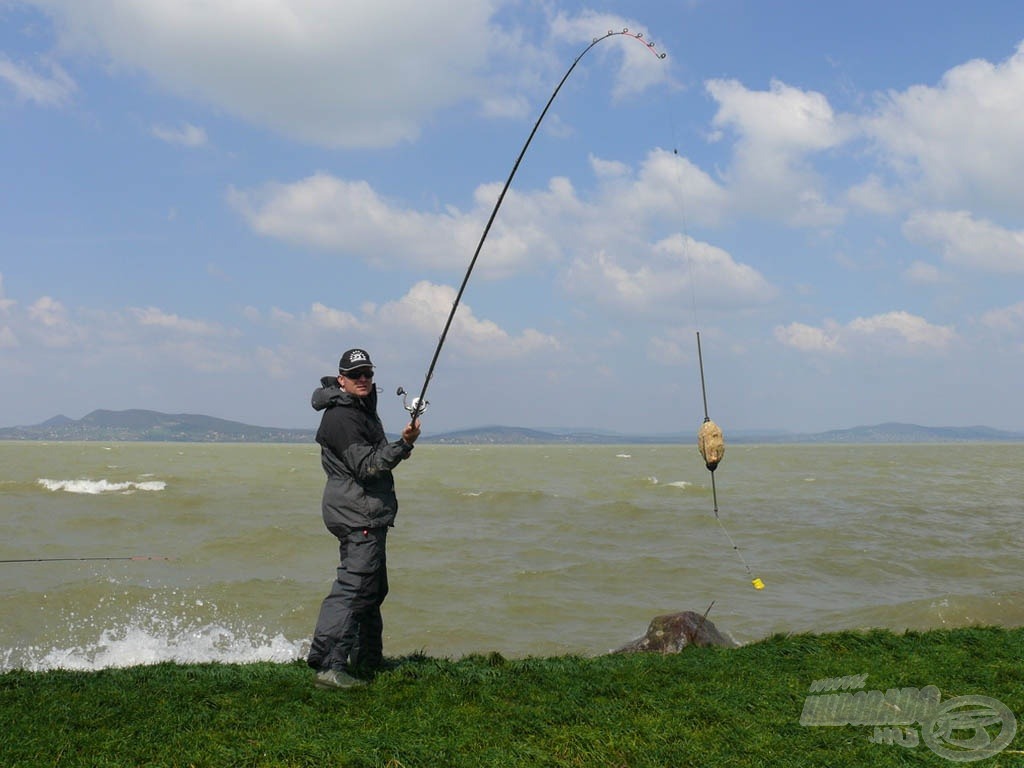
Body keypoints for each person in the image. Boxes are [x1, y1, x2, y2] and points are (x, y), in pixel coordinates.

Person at [307, 347, 421, 690]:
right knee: (354, 589)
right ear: (341, 379)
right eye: (355, 375)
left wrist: (400, 444)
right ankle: (329, 665)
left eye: (368, 374)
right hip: (358, 513)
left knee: (372, 587)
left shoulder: (359, 410)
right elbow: (368, 465)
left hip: (363, 510)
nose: (363, 380)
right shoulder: (342, 417)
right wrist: (403, 443)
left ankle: (368, 659)